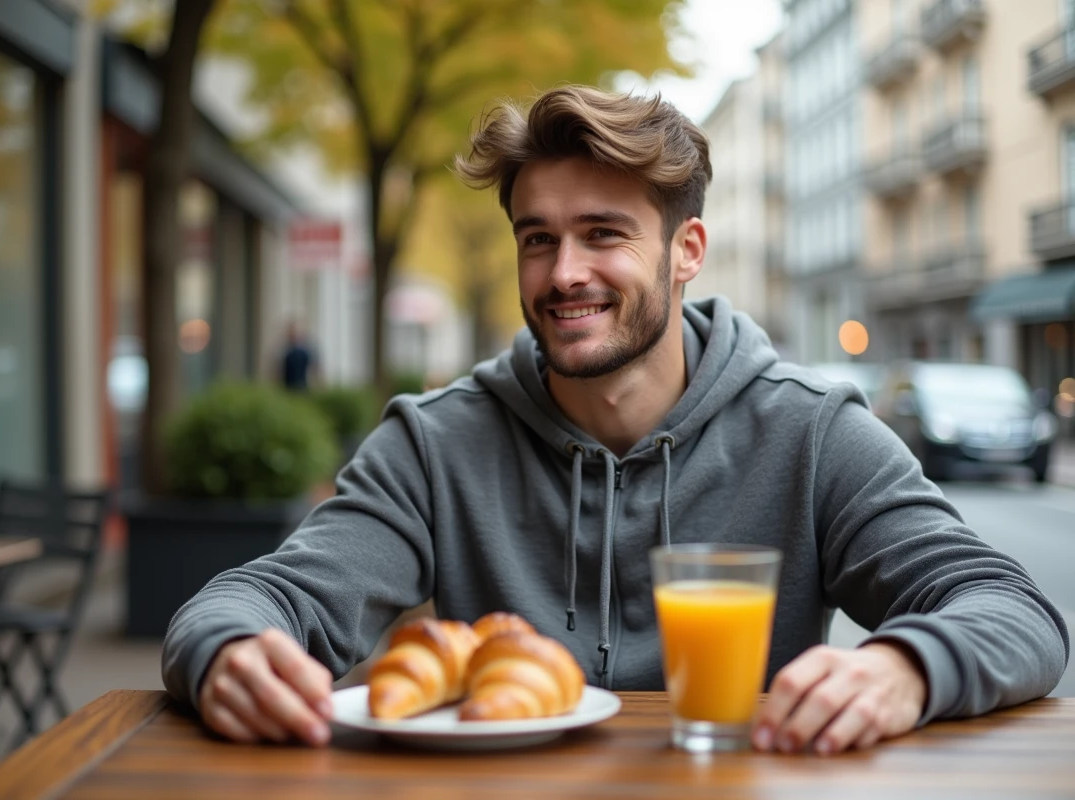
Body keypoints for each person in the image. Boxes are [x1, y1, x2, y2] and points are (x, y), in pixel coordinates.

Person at [162, 86, 1068, 755]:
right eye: (538, 237)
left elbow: (1012, 612)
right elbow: (260, 598)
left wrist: (903, 668)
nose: (563, 274)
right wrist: (230, 649)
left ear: (687, 252)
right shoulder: (435, 444)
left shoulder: (812, 432)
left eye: (603, 233)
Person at [280, 322, 315, 392]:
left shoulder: (303, 352)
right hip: (289, 387)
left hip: (301, 386)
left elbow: (312, 368)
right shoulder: (287, 351)